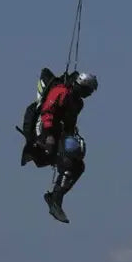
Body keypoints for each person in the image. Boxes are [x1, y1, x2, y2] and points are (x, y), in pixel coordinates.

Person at [19, 70, 98, 223]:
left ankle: (55, 198)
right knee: (67, 162)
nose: (89, 95)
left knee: (78, 166)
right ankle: (55, 201)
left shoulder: (78, 103)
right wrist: (48, 135)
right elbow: (47, 112)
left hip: (59, 133)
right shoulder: (61, 92)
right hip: (45, 130)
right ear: (82, 86)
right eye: (88, 90)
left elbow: (70, 125)